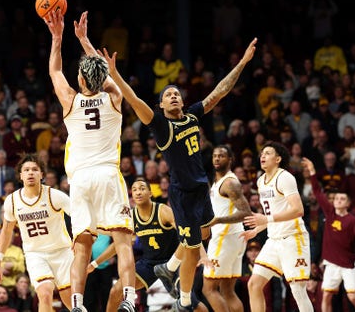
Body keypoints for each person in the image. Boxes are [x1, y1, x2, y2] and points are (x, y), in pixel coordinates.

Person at [101, 29, 256, 310]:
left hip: (201, 188)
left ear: (183, 101)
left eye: (176, 94)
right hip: (182, 193)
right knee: (195, 246)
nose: (173, 96)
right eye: (167, 95)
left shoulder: (194, 114)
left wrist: (243, 63)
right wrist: (115, 75)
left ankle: (171, 266)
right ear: (160, 105)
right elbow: (134, 100)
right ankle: (184, 299)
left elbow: (220, 91)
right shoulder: (160, 124)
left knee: (204, 237)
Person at [45, 9, 136, 312]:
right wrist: (84, 40)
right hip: (109, 176)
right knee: (123, 242)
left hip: (80, 179)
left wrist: (58, 38)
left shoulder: (70, 100)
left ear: (81, 78)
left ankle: (77, 304)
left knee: (80, 245)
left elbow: (55, 73)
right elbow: (107, 74)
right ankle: (129, 300)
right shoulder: (114, 97)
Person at [87, 178, 208, 312]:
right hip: (149, 263)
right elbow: (118, 245)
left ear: (150, 193)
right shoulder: (131, 217)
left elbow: (189, 234)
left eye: (142, 188)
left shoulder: (163, 211)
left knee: (191, 303)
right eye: (134, 189)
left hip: (173, 264)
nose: (138, 192)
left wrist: (203, 256)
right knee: (115, 291)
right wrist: (94, 264)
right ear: (131, 195)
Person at [0, 154, 72, 312]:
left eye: (35, 169)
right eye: (26, 170)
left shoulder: (54, 195)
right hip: (35, 253)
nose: (30, 172)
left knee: (71, 301)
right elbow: (6, 230)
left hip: (62, 252)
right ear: (20, 175)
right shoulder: (12, 200)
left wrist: (79, 240)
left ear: (42, 175)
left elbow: (80, 216)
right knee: (44, 294)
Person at [242, 142, 313, 312]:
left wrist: (265, 219)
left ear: (278, 159)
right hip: (273, 240)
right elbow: (271, 214)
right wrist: (256, 230)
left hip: (293, 238)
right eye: (261, 154)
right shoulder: (260, 181)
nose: (262, 156)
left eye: (267, 153)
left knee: (298, 290)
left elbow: (298, 210)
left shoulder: (285, 177)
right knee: (254, 284)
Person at [302, 157, 355, 312]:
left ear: (348, 203)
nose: (338, 200)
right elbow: (317, 191)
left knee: (353, 298)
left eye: (342, 198)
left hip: (349, 265)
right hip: (331, 264)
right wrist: (312, 172)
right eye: (336, 198)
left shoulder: (353, 220)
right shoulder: (329, 213)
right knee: (326, 297)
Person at [202, 145, 252, 312]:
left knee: (208, 289)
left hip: (225, 238)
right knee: (227, 291)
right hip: (234, 238)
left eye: (221, 156)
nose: (217, 158)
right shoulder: (219, 181)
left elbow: (246, 212)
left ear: (230, 159)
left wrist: (218, 220)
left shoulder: (229, 183)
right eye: (215, 155)